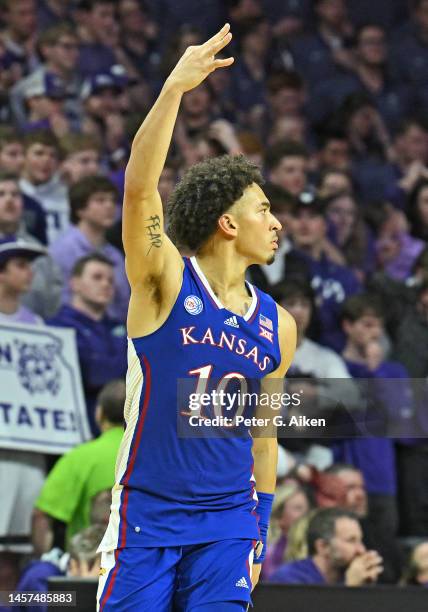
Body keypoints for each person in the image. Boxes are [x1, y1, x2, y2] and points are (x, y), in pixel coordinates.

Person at [97, 24, 297, 612]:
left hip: (229, 526)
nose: (277, 222)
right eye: (264, 209)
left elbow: (265, 435)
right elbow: (139, 194)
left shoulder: (278, 324)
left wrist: (258, 530)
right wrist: (174, 91)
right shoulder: (165, 281)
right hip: (148, 518)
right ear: (228, 223)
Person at [32, 379, 125, 555]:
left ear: (99, 413)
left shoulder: (79, 457)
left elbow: (41, 516)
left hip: (88, 569)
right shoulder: (158, 456)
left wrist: (45, 560)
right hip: (143, 568)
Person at [48, 255, 127, 434]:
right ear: (74, 283)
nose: (106, 284)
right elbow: (93, 374)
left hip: (120, 430)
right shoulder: (56, 327)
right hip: (77, 428)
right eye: (97, 277)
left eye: (110, 280)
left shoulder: (120, 326)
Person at [49, 176, 129, 322]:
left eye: (113, 200)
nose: (110, 206)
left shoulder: (115, 255)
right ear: (80, 209)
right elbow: (55, 300)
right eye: (100, 200)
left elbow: (123, 303)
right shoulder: (63, 250)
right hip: (72, 329)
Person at [0, 172, 62, 318]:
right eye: (1, 194)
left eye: (15, 195)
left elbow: (53, 297)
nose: (9, 200)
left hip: (33, 332)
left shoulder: (38, 250)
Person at [269, 507, 383, 586]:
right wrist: (350, 588)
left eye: (360, 540)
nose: (361, 549)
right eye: (351, 541)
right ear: (323, 547)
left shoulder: (348, 575)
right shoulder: (289, 579)